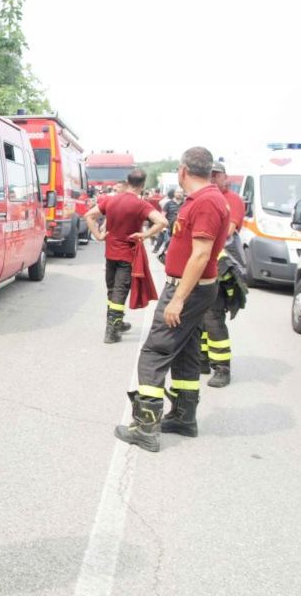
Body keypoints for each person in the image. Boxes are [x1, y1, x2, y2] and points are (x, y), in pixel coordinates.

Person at [114, 146, 229, 453]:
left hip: (187, 290)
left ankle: (146, 427)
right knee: (186, 351)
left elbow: (202, 253)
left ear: (182, 171)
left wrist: (177, 299)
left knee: (155, 351)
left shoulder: (205, 201)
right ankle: (183, 416)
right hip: (196, 289)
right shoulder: (207, 198)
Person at [84, 169, 168, 344]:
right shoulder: (141, 205)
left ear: (128, 182)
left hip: (110, 253)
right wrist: (145, 235)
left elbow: (89, 215)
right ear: (143, 185)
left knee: (112, 290)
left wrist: (99, 236)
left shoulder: (110, 200)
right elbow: (162, 222)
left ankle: (117, 322)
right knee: (120, 292)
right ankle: (111, 331)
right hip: (127, 255)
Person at [198, 161, 249, 387]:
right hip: (200, 265)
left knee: (213, 317)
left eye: (216, 175)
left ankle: (222, 368)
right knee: (197, 316)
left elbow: (227, 230)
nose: (212, 178)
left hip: (220, 267)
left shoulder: (232, 200)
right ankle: (202, 359)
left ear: (224, 177)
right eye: (209, 175)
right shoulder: (203, 197)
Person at [156, 188, 185, 259]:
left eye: (181, 193)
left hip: (181, 230)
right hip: (169, 229)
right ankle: (164, 257)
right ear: (174, 194)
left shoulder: (185, 204)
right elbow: (162, 215)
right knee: (169, 245)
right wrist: (163, 227)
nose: (179, 194)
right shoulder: (168, 204)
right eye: (178, 192)